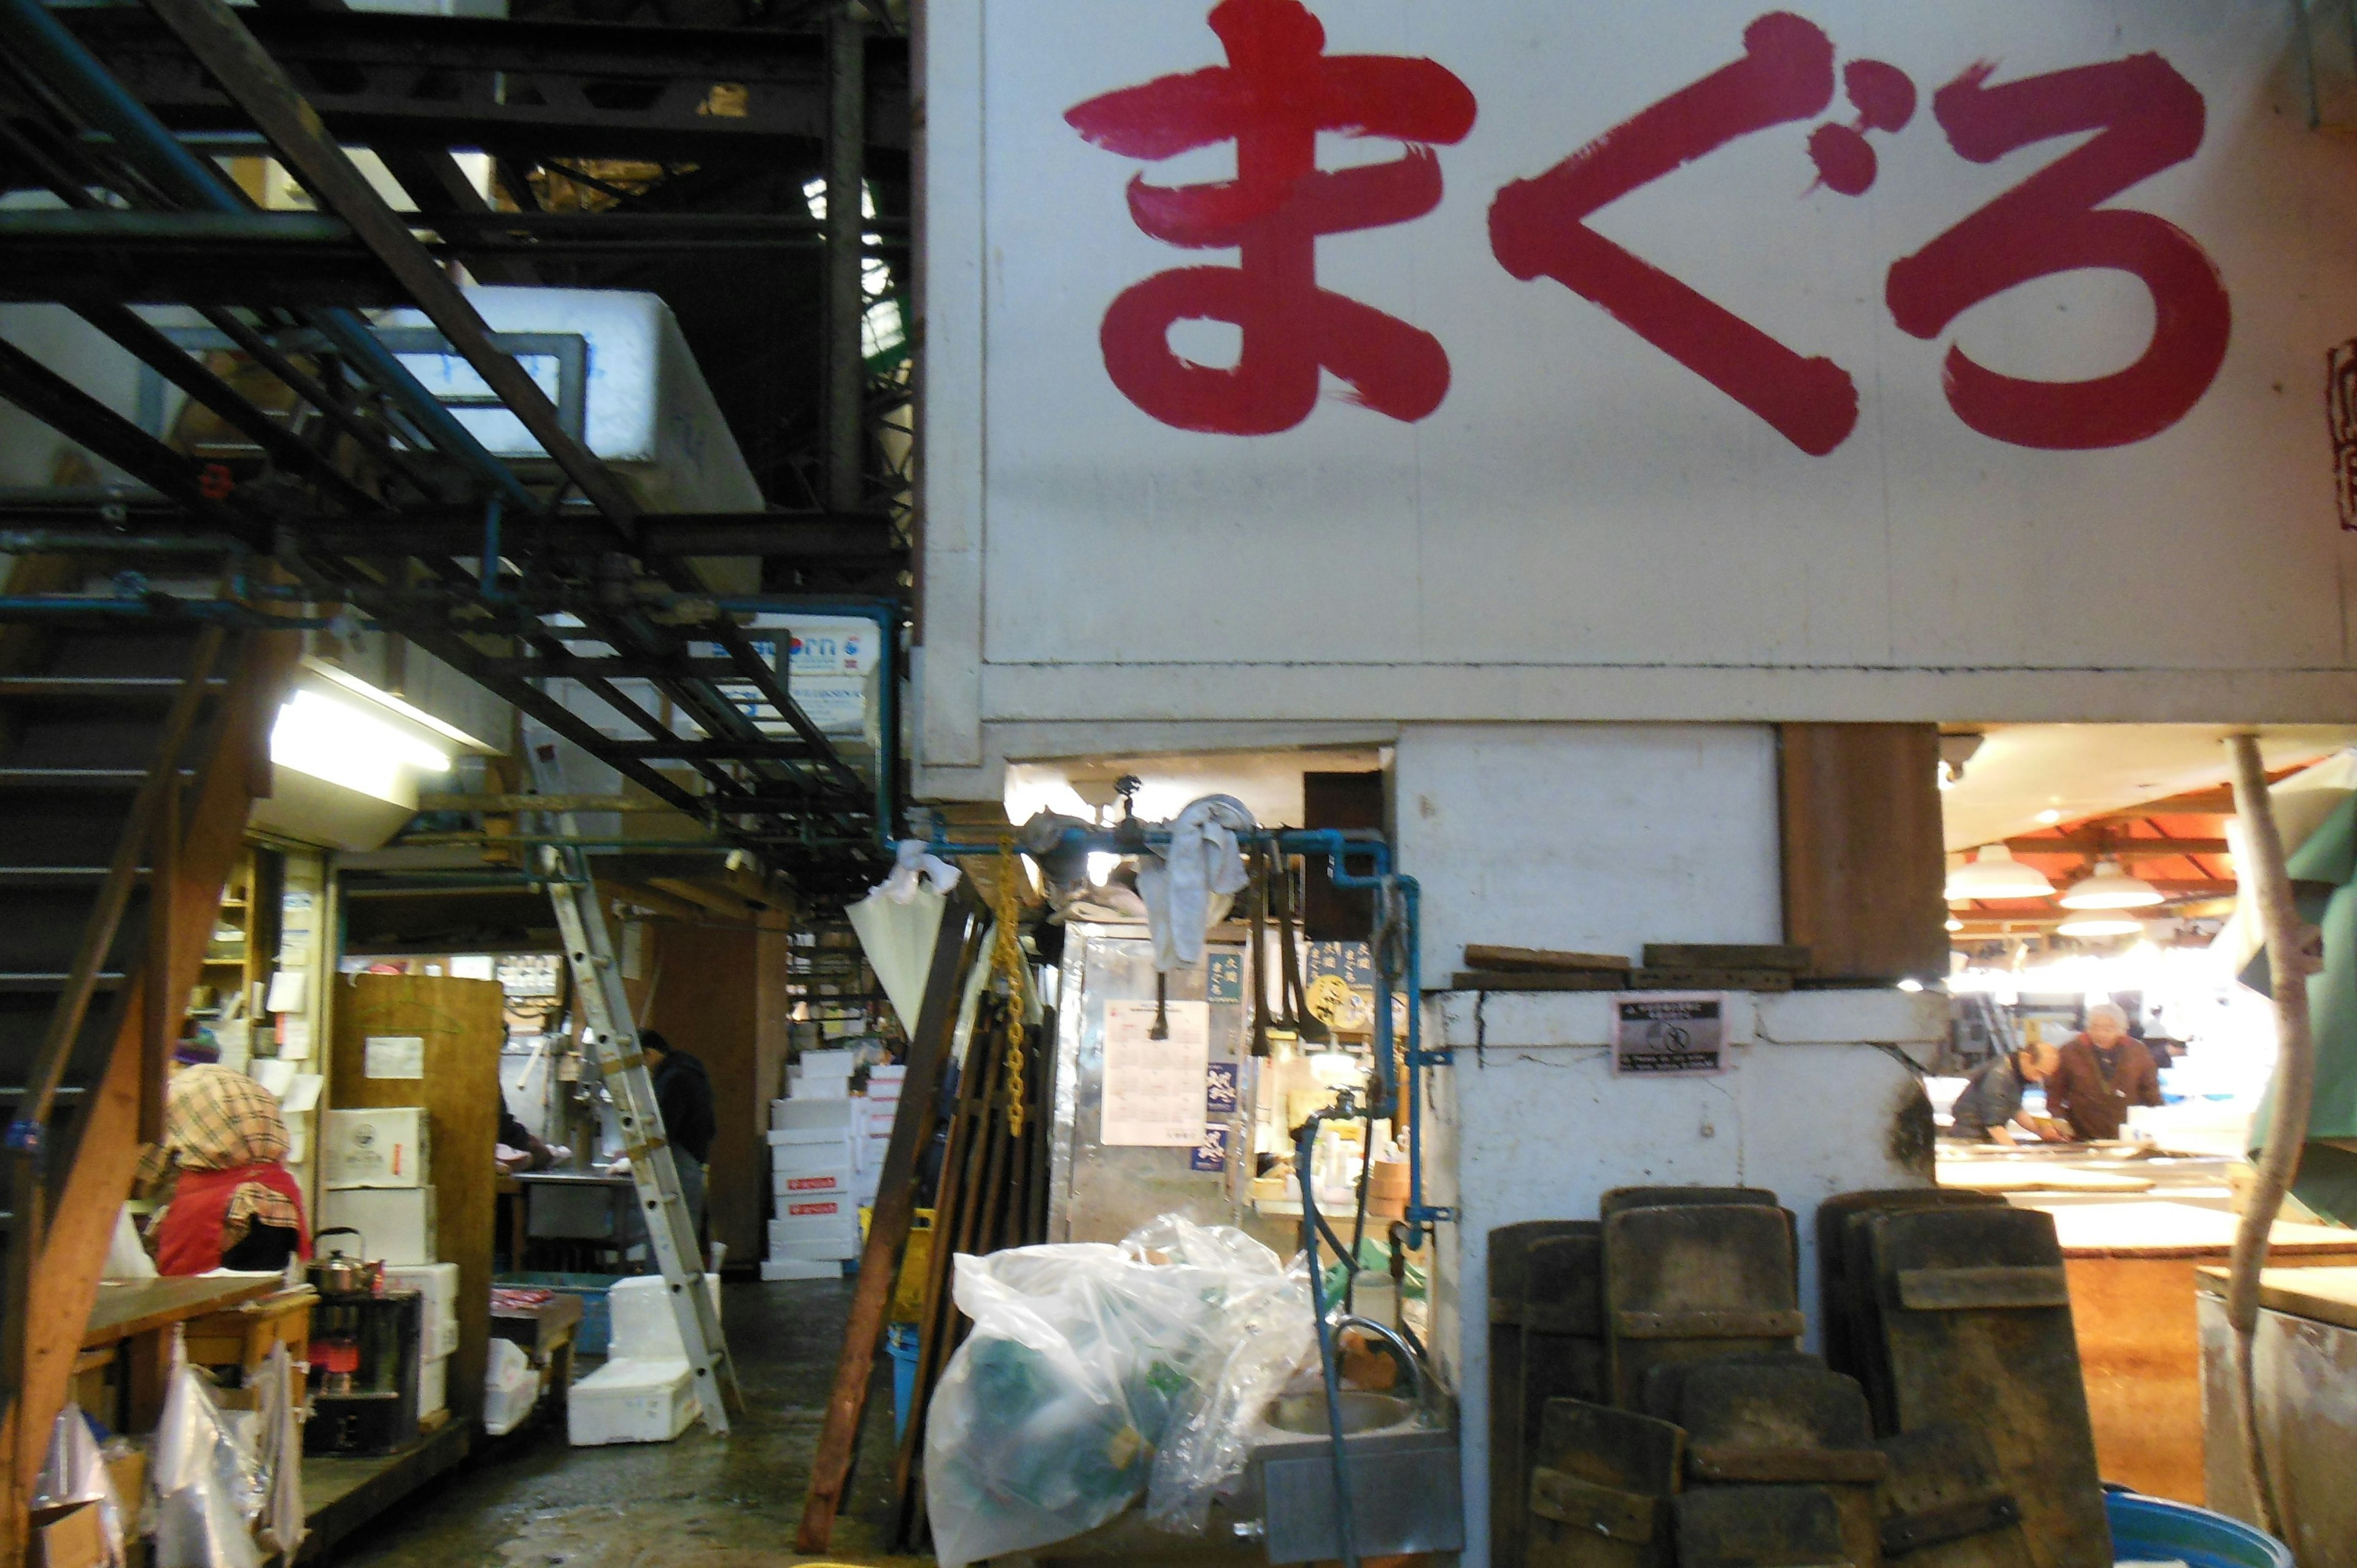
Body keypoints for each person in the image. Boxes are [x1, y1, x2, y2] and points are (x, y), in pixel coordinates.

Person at [142, 1048, 310, 1275]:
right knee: (261, 1299)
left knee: (204, 1300)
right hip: (279, 1207)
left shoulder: (176, 1090)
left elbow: (146, 1174)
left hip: (225, 1212)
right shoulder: (247, 1084)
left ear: (172, 1062)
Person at [2047, 1002, 2164, 1143]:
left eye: (2108, 1029)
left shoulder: (2138, 1052)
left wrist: (2159, 1121)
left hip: (2128, 1134)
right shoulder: (2069, 1051)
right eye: (2095, 1027)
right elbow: (2054, 1094)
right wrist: (2060, 1122)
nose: (2101, 1033)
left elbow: (2151, 1092)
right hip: (2081, 1135)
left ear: (2122, 1029)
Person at [641, 1029, 716, 1238]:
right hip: (695, 1154)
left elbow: (664, 1126)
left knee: (677, 1229)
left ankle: (670, 1273)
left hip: (682, 1160)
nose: (644, 1070)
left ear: (649, 1054)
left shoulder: (674, 1078)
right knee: (687, 1224)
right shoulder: (687, 1069)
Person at [1949, 1040, 2061, 1144]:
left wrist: (2040, 1132)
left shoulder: (2015, 1073)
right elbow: (1994, 1125)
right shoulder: (1999, 1076)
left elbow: (2014, 1108)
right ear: (2027, 1058)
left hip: (1982, 1134)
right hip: (1971, 1136)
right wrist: (2018, 1155)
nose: (2039, 1079)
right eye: (2039, 1073)